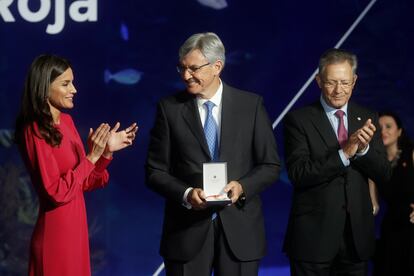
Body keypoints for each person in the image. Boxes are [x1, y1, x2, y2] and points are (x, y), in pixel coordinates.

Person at [145, 32, 280, 276]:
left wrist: (242, 186)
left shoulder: (250, 106)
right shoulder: (169, 109)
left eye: (194, 68)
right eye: (182, 68)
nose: (186, 76)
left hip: (240, 232)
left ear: (217, 66)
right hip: (186, 233)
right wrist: (187, 194)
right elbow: (155, 171)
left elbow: (270, 165)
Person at [14, 54, 138, 276]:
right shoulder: (33, 131)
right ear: (44, 87)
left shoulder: (67, 122)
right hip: (55, 236)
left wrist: (105, 154)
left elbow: (85, 182)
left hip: (76, 233)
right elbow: (56, 192)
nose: (74, 89)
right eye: (65, 83)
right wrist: (91, 157)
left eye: (72, 82)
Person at [282, 48, 391, 276]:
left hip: (356, 241)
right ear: (319, 81)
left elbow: (384, 173)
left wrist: (363, 151)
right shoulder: (299, 120)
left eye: (345, 82)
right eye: (331, 82)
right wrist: (345, 153)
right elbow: (299, 174)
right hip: (313, 240)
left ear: (354, 81)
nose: (339, 90)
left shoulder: (368, 117)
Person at [373, 111, 414, 276]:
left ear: (399, 131)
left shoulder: (411, 154)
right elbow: (373, 205)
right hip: (391, 228)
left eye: (388, 126)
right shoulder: (376, 164)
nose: (383, 131)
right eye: (379, 128)